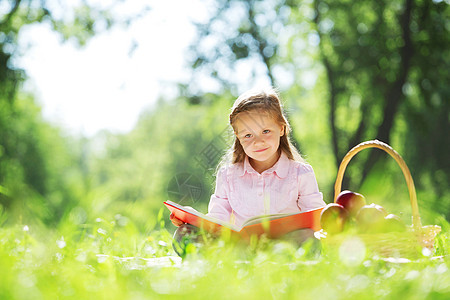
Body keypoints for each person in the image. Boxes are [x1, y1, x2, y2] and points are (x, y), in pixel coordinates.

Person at [170, 87, 326, 256]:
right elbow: (217, 219)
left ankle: (269, 258)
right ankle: (236, 257)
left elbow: (317, 217)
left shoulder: (300, 173)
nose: (258, 142)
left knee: (309, 238)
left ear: (281, 128)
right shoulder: (228, 175)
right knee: (184, 234)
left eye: (265, 131)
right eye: (248, 135)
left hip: (283, 245)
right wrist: (193, 219)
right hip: (239, 246)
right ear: (238, 136)